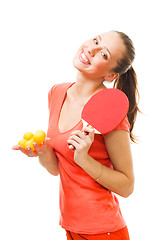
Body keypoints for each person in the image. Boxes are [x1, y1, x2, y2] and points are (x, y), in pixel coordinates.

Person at [13, 30, 139, 240]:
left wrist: (85, 159)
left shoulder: (109, 110)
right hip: (71, 226)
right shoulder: (57, 93)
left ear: (111, 76)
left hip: (103, 231)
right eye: (96, 40)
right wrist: (43, 152)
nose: (91, 48)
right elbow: (59, 169)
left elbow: (127, 186)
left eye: (104, 54)